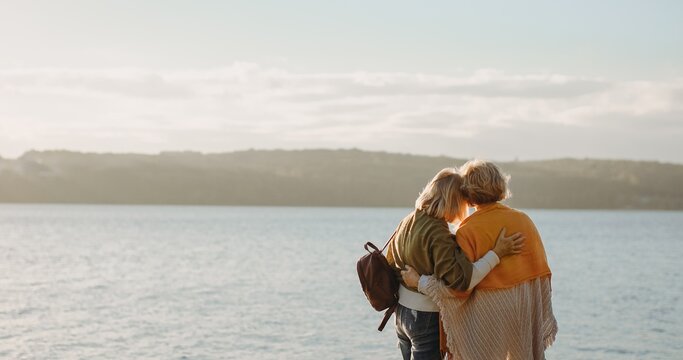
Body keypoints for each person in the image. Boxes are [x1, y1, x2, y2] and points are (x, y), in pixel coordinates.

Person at [402, 160, 558, 360]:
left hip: (487, 322)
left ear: (467, 194)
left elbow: (457, 289)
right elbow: (541, 276)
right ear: (500, 186)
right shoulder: (524, 221)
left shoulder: (467, 231)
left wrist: (421, 283)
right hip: (523, 317)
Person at [386, 167, 525, 360]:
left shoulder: (409, 219)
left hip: (401, 314)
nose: (466, 206)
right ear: (454, 200)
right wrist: (497, 253)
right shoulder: (438, 232)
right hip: (425, 317)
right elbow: (462, 281)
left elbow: (391, 262)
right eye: (464, 200)